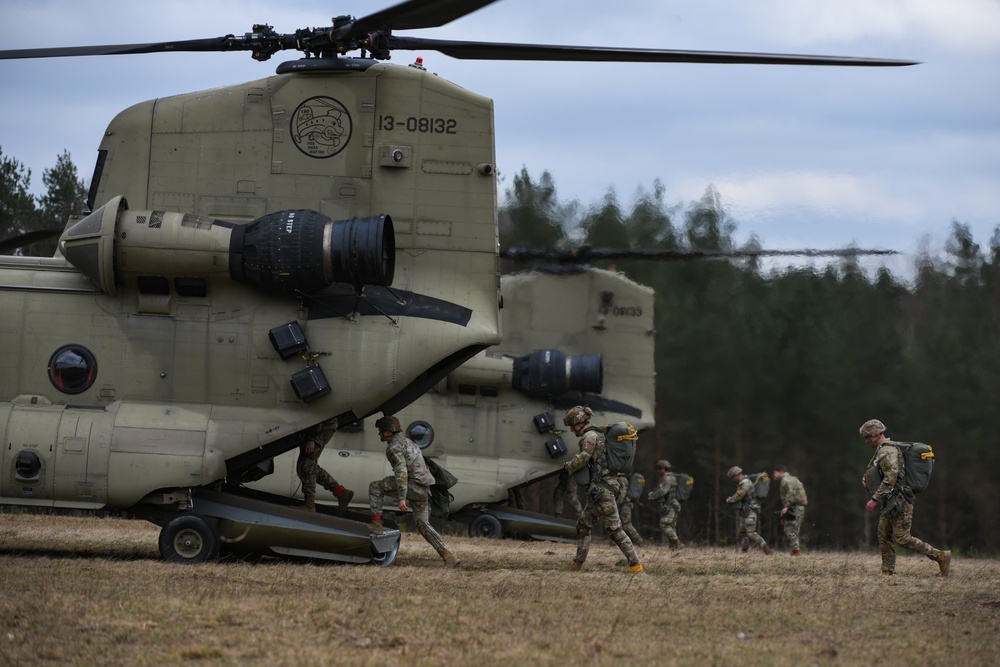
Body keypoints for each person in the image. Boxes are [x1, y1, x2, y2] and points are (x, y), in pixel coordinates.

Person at [860, 419, 950, 577]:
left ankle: (940, 556)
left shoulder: (886, 451)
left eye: (869, 437)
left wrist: (874, 499)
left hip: (900, 499)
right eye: (865, 437)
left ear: (877, 434)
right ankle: (887, 571)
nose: (867, 440)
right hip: (891, 499)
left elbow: (891, 477)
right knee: (883, 533)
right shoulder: (883, 450)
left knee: (902, 537)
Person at [367, 415, 460, 567]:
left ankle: (377, 525)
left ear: (388, 432)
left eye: (381, 430)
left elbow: (401, 472)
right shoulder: (407, 441)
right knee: (423, 526)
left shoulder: (393, 448)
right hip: (423, 489)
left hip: (412, 487)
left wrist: (402, 497)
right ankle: (449, 557)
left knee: (375, 487)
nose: (379, 433)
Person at [561, 406, 643, 573]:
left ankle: (636, 566)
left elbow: (584, 458)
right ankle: (576, 565)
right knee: (583, 525)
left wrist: (569, 466)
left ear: (578, 423)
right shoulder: (595, 434)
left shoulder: (590, 436)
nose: (570, 429)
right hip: (599, 490)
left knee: (615, 531)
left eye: (571, 425)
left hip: (603, 490)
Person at [296, 419, 354, 512]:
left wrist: (312, 438)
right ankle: (340, 492)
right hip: (322, 427)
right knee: (308, 466)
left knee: (307, 465)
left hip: (320, 428)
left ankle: (309, 505)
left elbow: (318, 413)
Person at [725, 466, 773, 555]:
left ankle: (766, 549)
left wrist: (730, 500)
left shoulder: (745, 482)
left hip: (751, 509)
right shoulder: (743, 482)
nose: (732, 480)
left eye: (732, 477)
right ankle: (744, 551)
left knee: (750, 533)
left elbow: (740, 495)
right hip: (745, 510)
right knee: (742, 532)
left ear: (737, 475)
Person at [647, 459, 683, 549]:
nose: (657, 471)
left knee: (664, 524)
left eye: (658, 469)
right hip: (674, 504)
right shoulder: (672, 477)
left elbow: (663, 491)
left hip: (670, 504)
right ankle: (674, 548)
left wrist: (652, 496)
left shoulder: (667, 479)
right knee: (671, 526)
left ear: (663, 469)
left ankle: (677, 542)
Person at [772, 466, 807, 555]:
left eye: (774, 473)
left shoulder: (786, 480)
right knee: (794, 530)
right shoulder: (790, 479)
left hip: (795, 507)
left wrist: (786, 506)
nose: (773, 476)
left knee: (789, 529)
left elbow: (791, 492)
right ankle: (795, 551)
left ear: (780, 472)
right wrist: (785, 514)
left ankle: (796, 551)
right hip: (797, 507)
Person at [616, 472, 644, 547]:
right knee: (618, 523)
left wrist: (617, 503)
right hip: (626, 503)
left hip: (625, 504)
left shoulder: (620, 479)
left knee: (626, 524)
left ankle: (639, 540)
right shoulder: (624, 478)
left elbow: (623, 492)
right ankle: (615, 542)